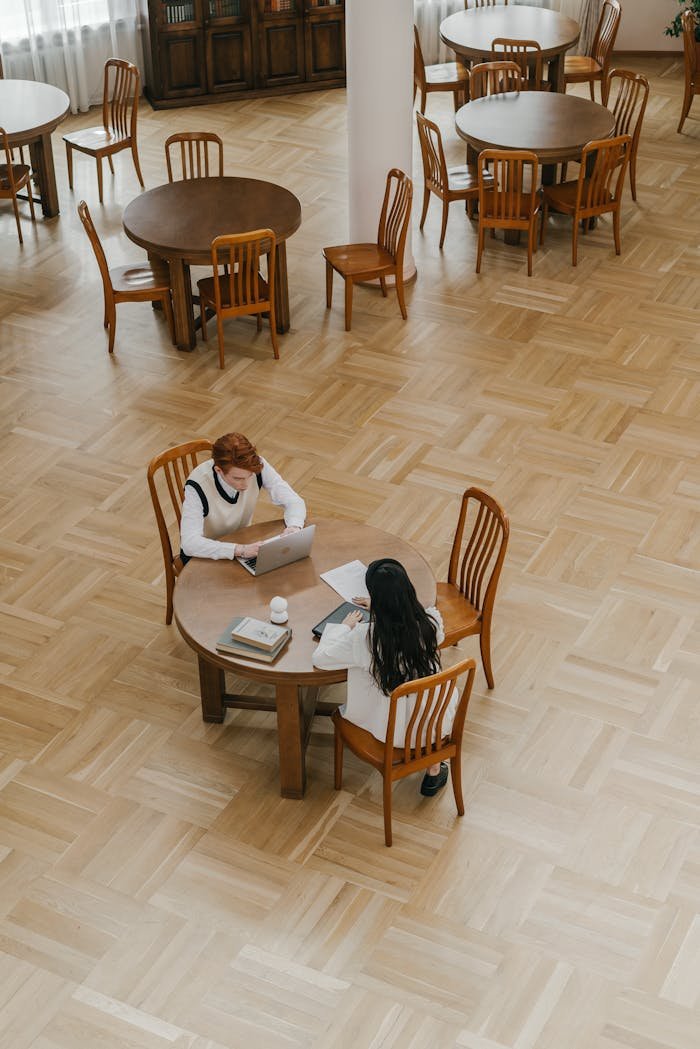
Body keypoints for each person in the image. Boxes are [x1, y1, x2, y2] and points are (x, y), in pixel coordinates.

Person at [312, 558, 458, 796]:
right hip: (434, 717)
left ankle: (430, 762)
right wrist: (388, 606)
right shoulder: (430, 622)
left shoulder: (367, 639)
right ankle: (433, 766)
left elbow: (321, 658)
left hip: (395, 731)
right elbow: (422, 624)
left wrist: (344, 627)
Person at [180, 432, 306, 562]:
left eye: (250, 476)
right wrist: (239, 550)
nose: (246, 485)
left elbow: (294, 501)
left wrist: (293, 527)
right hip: (205, 555)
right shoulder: (197, 486)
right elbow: (190, 543)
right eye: (238, 478)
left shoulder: (256, 465)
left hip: (243, 544)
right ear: (219, 470)